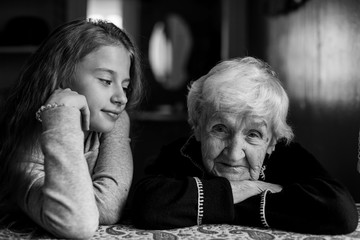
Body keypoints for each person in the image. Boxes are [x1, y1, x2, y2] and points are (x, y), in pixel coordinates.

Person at [132, 57, 358, 235]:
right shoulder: (181, 153)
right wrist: (247, 189)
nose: (233, 153)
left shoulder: (286, 156)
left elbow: (340, 211)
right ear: (199, 128)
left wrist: (210, 204)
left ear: (271, 141)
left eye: (253, 134)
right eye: (220, 129)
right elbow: (146, 205)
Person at [0, 18, 143, 239]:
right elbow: (77, 223)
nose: (121, 97)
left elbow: (107, 207)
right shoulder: (25, 142)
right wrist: (61, 112)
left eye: (125, 85)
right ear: (60, 77)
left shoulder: (115, 120)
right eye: (106, 80)